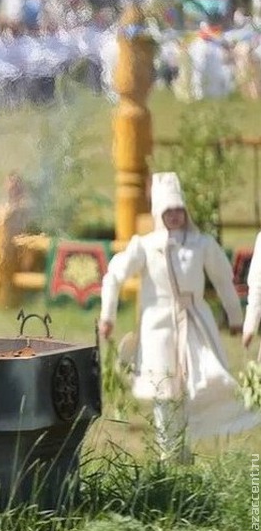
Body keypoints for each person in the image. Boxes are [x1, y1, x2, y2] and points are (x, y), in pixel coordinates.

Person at [99, 172, 260, 464]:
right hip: (158, 327)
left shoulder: (201, 244)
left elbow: (224, 280)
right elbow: (114, 275)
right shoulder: (145, 246)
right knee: (164, 387)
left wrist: (236, 318)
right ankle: (168, 450)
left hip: (196, 323)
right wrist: (107, 315)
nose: (173, 216)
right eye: (167, 210)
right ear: (159, 212)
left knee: (200, 382)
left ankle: (188, 440)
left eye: (177, 209)